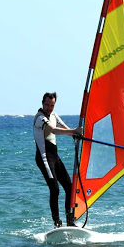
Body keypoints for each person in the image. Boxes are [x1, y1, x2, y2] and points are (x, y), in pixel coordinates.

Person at [33, 92, 82, 228]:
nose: (49, 108)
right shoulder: (40, 118)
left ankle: (70, 221)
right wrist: (74, 131)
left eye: (52, 105)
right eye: (47, 105)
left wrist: (75, 134)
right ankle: (57, 224)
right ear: (43, 103)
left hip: (55, 157)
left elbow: (65, 128)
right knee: (55, 189)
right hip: (44, 158)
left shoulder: (54, 115)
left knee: (70, 187)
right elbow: (53, 130)